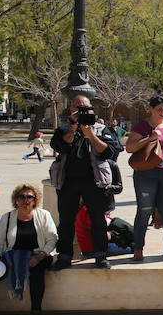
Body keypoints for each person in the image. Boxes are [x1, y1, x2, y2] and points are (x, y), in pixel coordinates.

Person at [50, 96, 120, 270]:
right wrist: (74, 128)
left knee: (98, 219)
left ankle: (101, 256)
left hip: (94, 182)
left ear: (91, 109)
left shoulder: (101, 129)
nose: (81, 111)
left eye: (85, 108)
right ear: (70, 108)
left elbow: (110, 152)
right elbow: (59, 146)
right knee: (66, 220)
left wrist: (91, 135)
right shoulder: (64, 129)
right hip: (68, 181)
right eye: (77, 107)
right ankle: (64, 256)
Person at [126, 96, 163, 261]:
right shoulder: (142, 126)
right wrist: (149, 138)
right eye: (159, 109)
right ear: (150, 109)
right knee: (144, 210)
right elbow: (129, 147)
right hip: (146, 172)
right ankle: (138, 248)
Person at [0, 184, 57, 315]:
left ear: (35, 200)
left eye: (29, 197)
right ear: (15, 200)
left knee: (36, 273)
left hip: (39, 255)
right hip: (13, 256)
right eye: (21, 197)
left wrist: (39, 257)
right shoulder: (6, 217)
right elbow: (0, 242)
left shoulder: (44, 215)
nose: (25, 200)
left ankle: (36, 313)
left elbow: (52, 239)